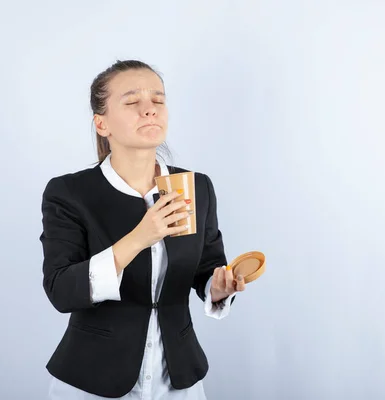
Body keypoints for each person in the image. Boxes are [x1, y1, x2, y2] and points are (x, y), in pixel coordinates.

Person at [40, 60, 246, 399]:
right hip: (92, 380)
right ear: (101, 123)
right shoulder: (70, 193)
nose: (150, 110)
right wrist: (140, 237)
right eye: (133, 102)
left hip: (178, 380)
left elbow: (206, 268)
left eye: (159, 101)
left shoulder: (196, 186)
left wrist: (218, 286)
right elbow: (62, 290)